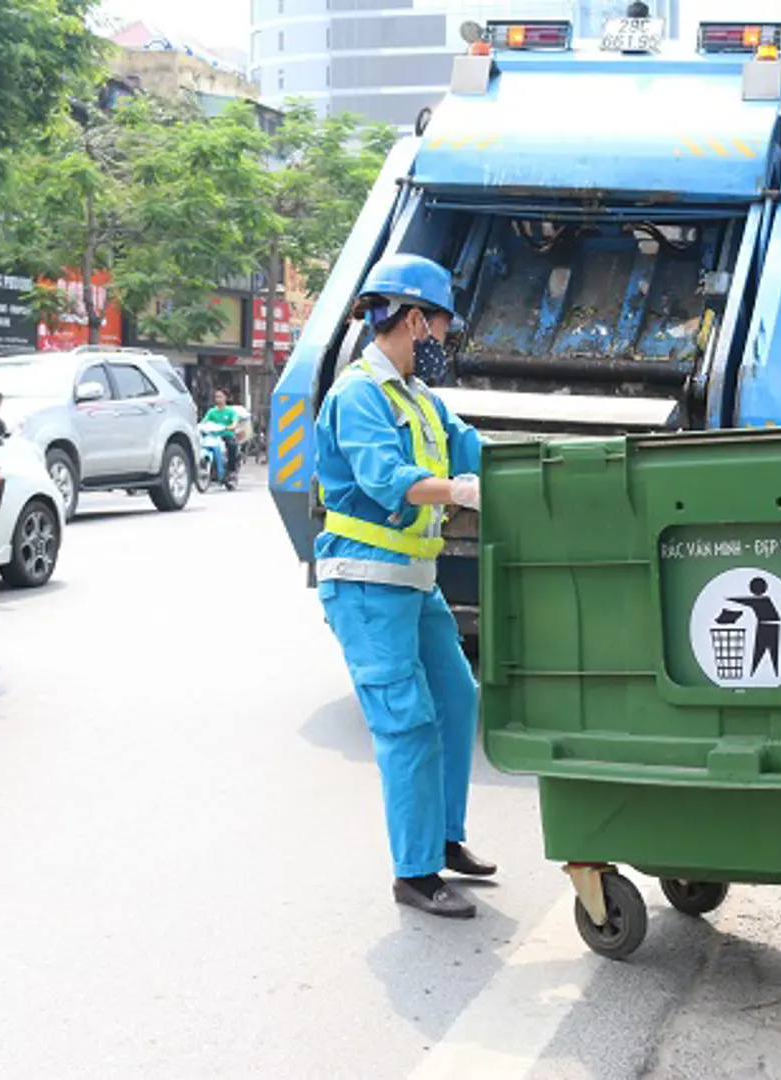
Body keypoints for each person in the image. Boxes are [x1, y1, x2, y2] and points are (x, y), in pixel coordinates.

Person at [314, 253, 492, 919]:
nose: (445, 342)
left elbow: (474, 449)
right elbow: (385, 477)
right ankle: (414, 874)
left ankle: (443, 837)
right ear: (414, 319)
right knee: (408, 723)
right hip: (365, 583)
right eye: (442, 327)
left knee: (456, 699)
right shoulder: (358, 395)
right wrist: (457, 491)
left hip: (414, 583)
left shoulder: (418, 398)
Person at [202, 388, 242, 479]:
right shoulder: (211, 412)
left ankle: (231, 470)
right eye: (216, 397)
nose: (218, 399)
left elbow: (234, 422)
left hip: (226, 435)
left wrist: (232, 426)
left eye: (220, 397)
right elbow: (205, 421)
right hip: (214, 436)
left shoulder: (231, 411)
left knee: (231, 445)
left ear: (225, 398)